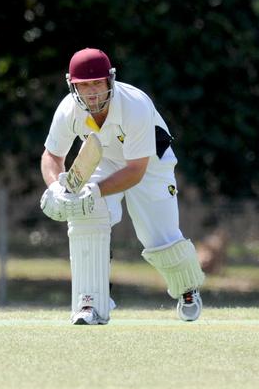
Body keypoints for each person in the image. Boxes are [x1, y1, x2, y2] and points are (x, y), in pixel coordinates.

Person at [39, 48, 205, 325]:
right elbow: (52, 156)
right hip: (103, 160)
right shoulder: (69, 108)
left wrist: (94, 191)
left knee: (159, 238)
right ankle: (90, 302)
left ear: (110, 81)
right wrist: (57, 187)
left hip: (150, 163)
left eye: (97, 83)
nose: (91, 92)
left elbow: (135, 171)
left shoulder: (135, 105)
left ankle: (187, 290)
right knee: (87, 215)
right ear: (72, 85)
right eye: (84, 85)